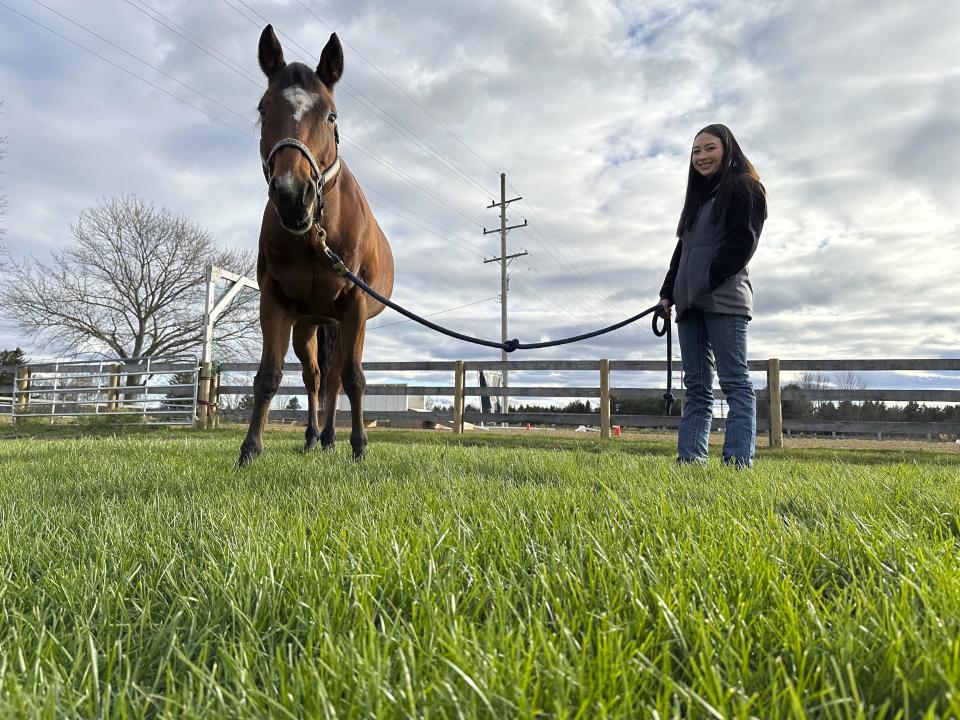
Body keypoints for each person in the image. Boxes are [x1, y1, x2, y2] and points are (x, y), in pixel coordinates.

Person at [659, 124, 767, 468]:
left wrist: (705, 282)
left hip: (724, 300)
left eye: (709, 148)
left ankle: (737, 463)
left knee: (735, 381)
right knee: (697, 387)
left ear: (727, 148)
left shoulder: (744, 188)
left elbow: (742, 244)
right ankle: (690, 462)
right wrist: (668, 293)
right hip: (690, 305)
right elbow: (683, 250)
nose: (702, 157)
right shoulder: (698, 199)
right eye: (695, 152)